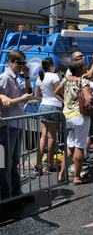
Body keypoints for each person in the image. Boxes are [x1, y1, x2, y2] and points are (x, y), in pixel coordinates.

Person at [55, 58, 93, 186]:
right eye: (84, 66)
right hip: (80, 116)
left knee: (70, 146)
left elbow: (56, 92)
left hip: (67, 116)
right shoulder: (83, 81)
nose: (86, 67)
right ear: (80, 69)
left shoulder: (65, 80)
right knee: (79, 146)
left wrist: (65, 103)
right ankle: (77, 177)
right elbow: (88, 98)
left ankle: (61, 174)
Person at [0, 51, 33, 200]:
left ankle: (15, 193)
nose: (21, 66)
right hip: (8, 125)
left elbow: (28, 94)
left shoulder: (15, 78)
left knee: (14, 162)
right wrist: (19, 100)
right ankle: (8, 195)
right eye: (19, 63)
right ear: (11, 62)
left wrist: (27, 77)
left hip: (16, 124)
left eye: (23, 63)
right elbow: (3, 101)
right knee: (5, 164)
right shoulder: (5, 78)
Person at [34, 57, 64, 174]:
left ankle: (39, 163)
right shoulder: (54, 76)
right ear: (51, 65)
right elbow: (58, 92)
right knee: (51, 137)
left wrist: (46, 99)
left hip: (43, 106)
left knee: (43, 136)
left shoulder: (39, 77)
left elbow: (36, 95)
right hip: (54, 107)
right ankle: (51, 164)